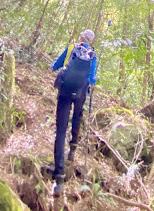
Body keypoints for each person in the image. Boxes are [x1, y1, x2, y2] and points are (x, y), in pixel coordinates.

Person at [51, 29, 97, 196]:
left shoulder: (72, 48)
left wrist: (54, 68)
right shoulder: (93, 56)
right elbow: (92, 78)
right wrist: (91, 82)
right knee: (77, 117)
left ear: (81, 38)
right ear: (90, 41)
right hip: (80, 94)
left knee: (60, 132)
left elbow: (56, 65)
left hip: (64, 92)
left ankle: (59, 179)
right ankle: (73, 148)